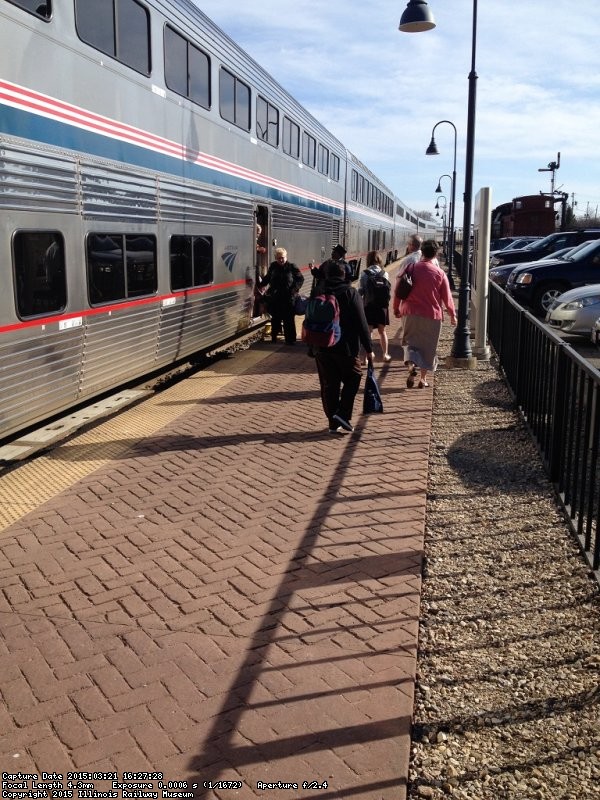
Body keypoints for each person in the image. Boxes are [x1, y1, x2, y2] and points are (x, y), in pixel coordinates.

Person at [312, 260, 375, 434]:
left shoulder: (318, 291)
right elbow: (362, 323)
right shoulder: (350, 292)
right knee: (354, 377)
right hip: (345, 347)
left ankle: (333, 423)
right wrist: (369, 349)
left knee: (329, 385)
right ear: (344, 275)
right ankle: (342, 414)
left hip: (322, 346)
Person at [397, 239, 457, 389]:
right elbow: (447, 297)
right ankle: (423, 379)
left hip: (409, 312)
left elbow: (399, 290)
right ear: (436, 254)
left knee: (409, 343)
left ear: (421, 252)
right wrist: (452, 314)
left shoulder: (410, 268)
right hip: (432, 315)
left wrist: (395, 308)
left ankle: (411, 365)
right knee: (428, 348)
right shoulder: (439, 273)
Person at [257, 247, 304, 344]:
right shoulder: (273, 267)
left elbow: (300, 279)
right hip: (276, 297)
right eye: (278, 258)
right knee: (275, 318)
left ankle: (290, 340)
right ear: (276, 258)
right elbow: (267, 278)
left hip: (288, 298)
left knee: (289, 319)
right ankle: (274, 337)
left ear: (286, 257)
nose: (281, 260)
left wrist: (294, 290)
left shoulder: (292, 267)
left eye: (282, 257)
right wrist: (259, 284)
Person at [358, 251, 392, 362]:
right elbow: (388, 290)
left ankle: (367, 357)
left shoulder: (364, 274)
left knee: (368, 332)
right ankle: (385, 354)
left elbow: (361, 291)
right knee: (382, 331)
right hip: (382, 306)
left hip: (369, 305)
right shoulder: (384, 273)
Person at [392, 234, 422, 319]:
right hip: (428, 308)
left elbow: (400, 284)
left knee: (410, 332)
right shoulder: (430, 259)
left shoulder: (409, 260)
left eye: (408, 244)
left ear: (411, 245)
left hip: (410, 307)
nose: (407, 246)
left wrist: (396, 307)